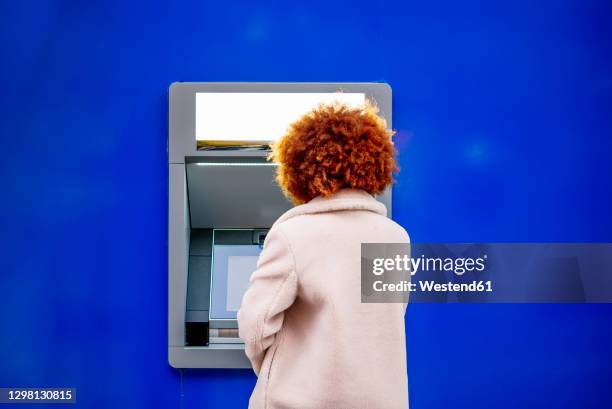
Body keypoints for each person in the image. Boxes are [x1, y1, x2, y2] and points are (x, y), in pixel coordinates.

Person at [238, 101, 410, 409]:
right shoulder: (396, 237)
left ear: (301, 165)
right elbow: (385, 321)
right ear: (375, 163)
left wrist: (278, 369)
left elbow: (255, 324)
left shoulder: (293, 234)